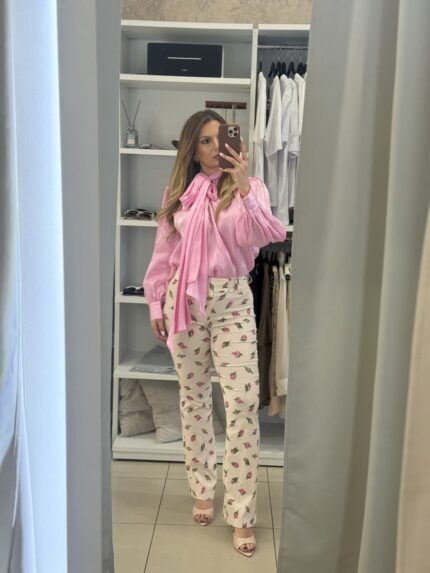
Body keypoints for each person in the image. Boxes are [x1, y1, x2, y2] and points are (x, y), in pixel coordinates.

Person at [143, 110, 286, 557]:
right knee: (194, 396)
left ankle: (241, 511)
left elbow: (263, 236)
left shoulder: (252, 188)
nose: (213, 148)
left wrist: (242, 187)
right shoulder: (179, 194)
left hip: (232, 301)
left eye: (219, 138)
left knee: (242, 400)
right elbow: (164, 252)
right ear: (192, 149)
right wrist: (155, 301)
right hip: (184, 300)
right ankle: (202, 486)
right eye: (204, 141)